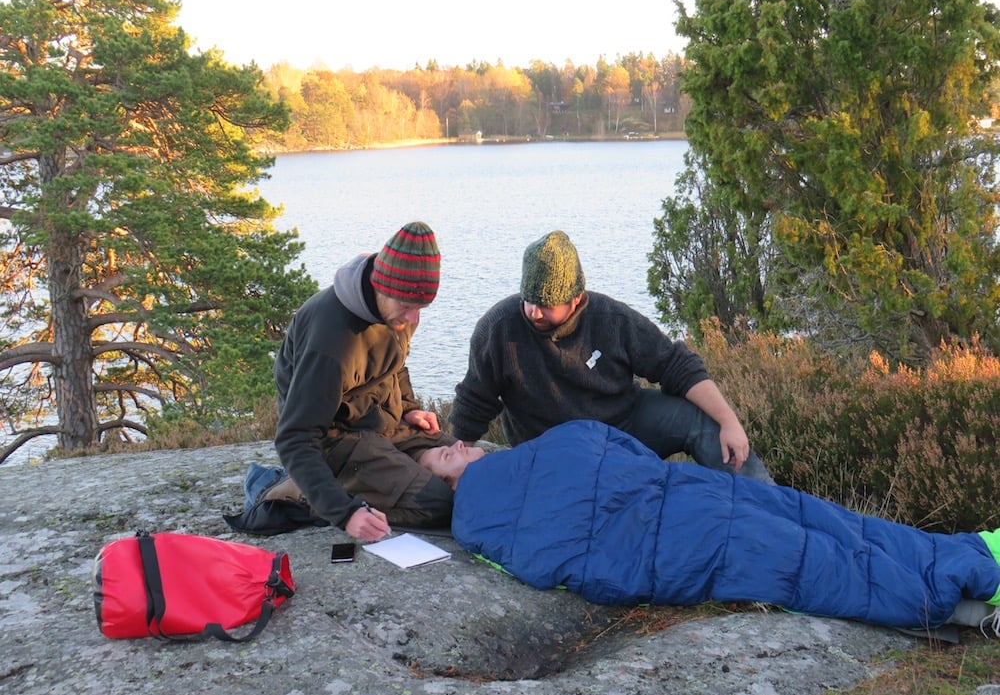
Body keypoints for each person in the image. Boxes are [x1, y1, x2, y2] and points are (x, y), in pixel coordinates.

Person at [421, 421, 1000, 635]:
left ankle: (968, 558)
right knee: (797, 554)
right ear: (442, 487)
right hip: (672, 537)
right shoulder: (476, 518)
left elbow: (611, 445)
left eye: (450, 444)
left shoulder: (533, 452)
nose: (457, 447)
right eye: (443, 459)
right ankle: (958, 602)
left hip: (682, 495)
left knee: (810, 515)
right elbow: (542, 560)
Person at [448, 230, 775, 485]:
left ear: (576, 299)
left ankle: (764, 501)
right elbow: (474, 402)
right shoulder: (498, 329)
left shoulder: (611, 319)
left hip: (622, 426)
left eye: (546, 303)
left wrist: (730, 422)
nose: (534, 311)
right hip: (550, 448)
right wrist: (452, 457)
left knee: (699, 420)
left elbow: (678, 365)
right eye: (529, 299)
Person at [269, 221, 458, 542]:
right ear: (379, 286)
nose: (413, 319)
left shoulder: (396, 310)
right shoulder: (330, 344)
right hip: (336, 438)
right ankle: (308, 496)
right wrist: (344, 512)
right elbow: (295, 437)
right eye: (408, 307)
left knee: (471, 469)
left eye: (421, 308)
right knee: (440, 504)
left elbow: (395, 363)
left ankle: (371, 480)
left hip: (383, 425)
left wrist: (409, 409)